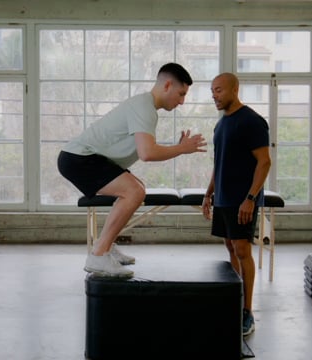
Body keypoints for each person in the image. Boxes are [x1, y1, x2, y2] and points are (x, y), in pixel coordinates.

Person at [58, 63, 207, 278]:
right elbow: (147, 153)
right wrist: (182, 149)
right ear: (167, 85)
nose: (182, 101)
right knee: (134, 192)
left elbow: (145, 150)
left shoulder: (145, 106)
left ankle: (105, 247)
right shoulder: (144, 107)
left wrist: (179, 148)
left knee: (137, 188)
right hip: (79, 158)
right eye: (181, 94)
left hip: (83, 158)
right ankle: (98, 255)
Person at [202, 72, 271, 336]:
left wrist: (251, 199)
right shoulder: (220, 125)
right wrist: (208, 194)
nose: (214, 96)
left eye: (219, 90)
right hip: (223, 198)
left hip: (243, 199)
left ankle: (248, 312)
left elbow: (264, 162)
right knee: (230, 246)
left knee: (243, 250)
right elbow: (218, 165)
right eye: (212, 91)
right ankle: (236, 298)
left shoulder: (252, 121)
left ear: (234, 89)